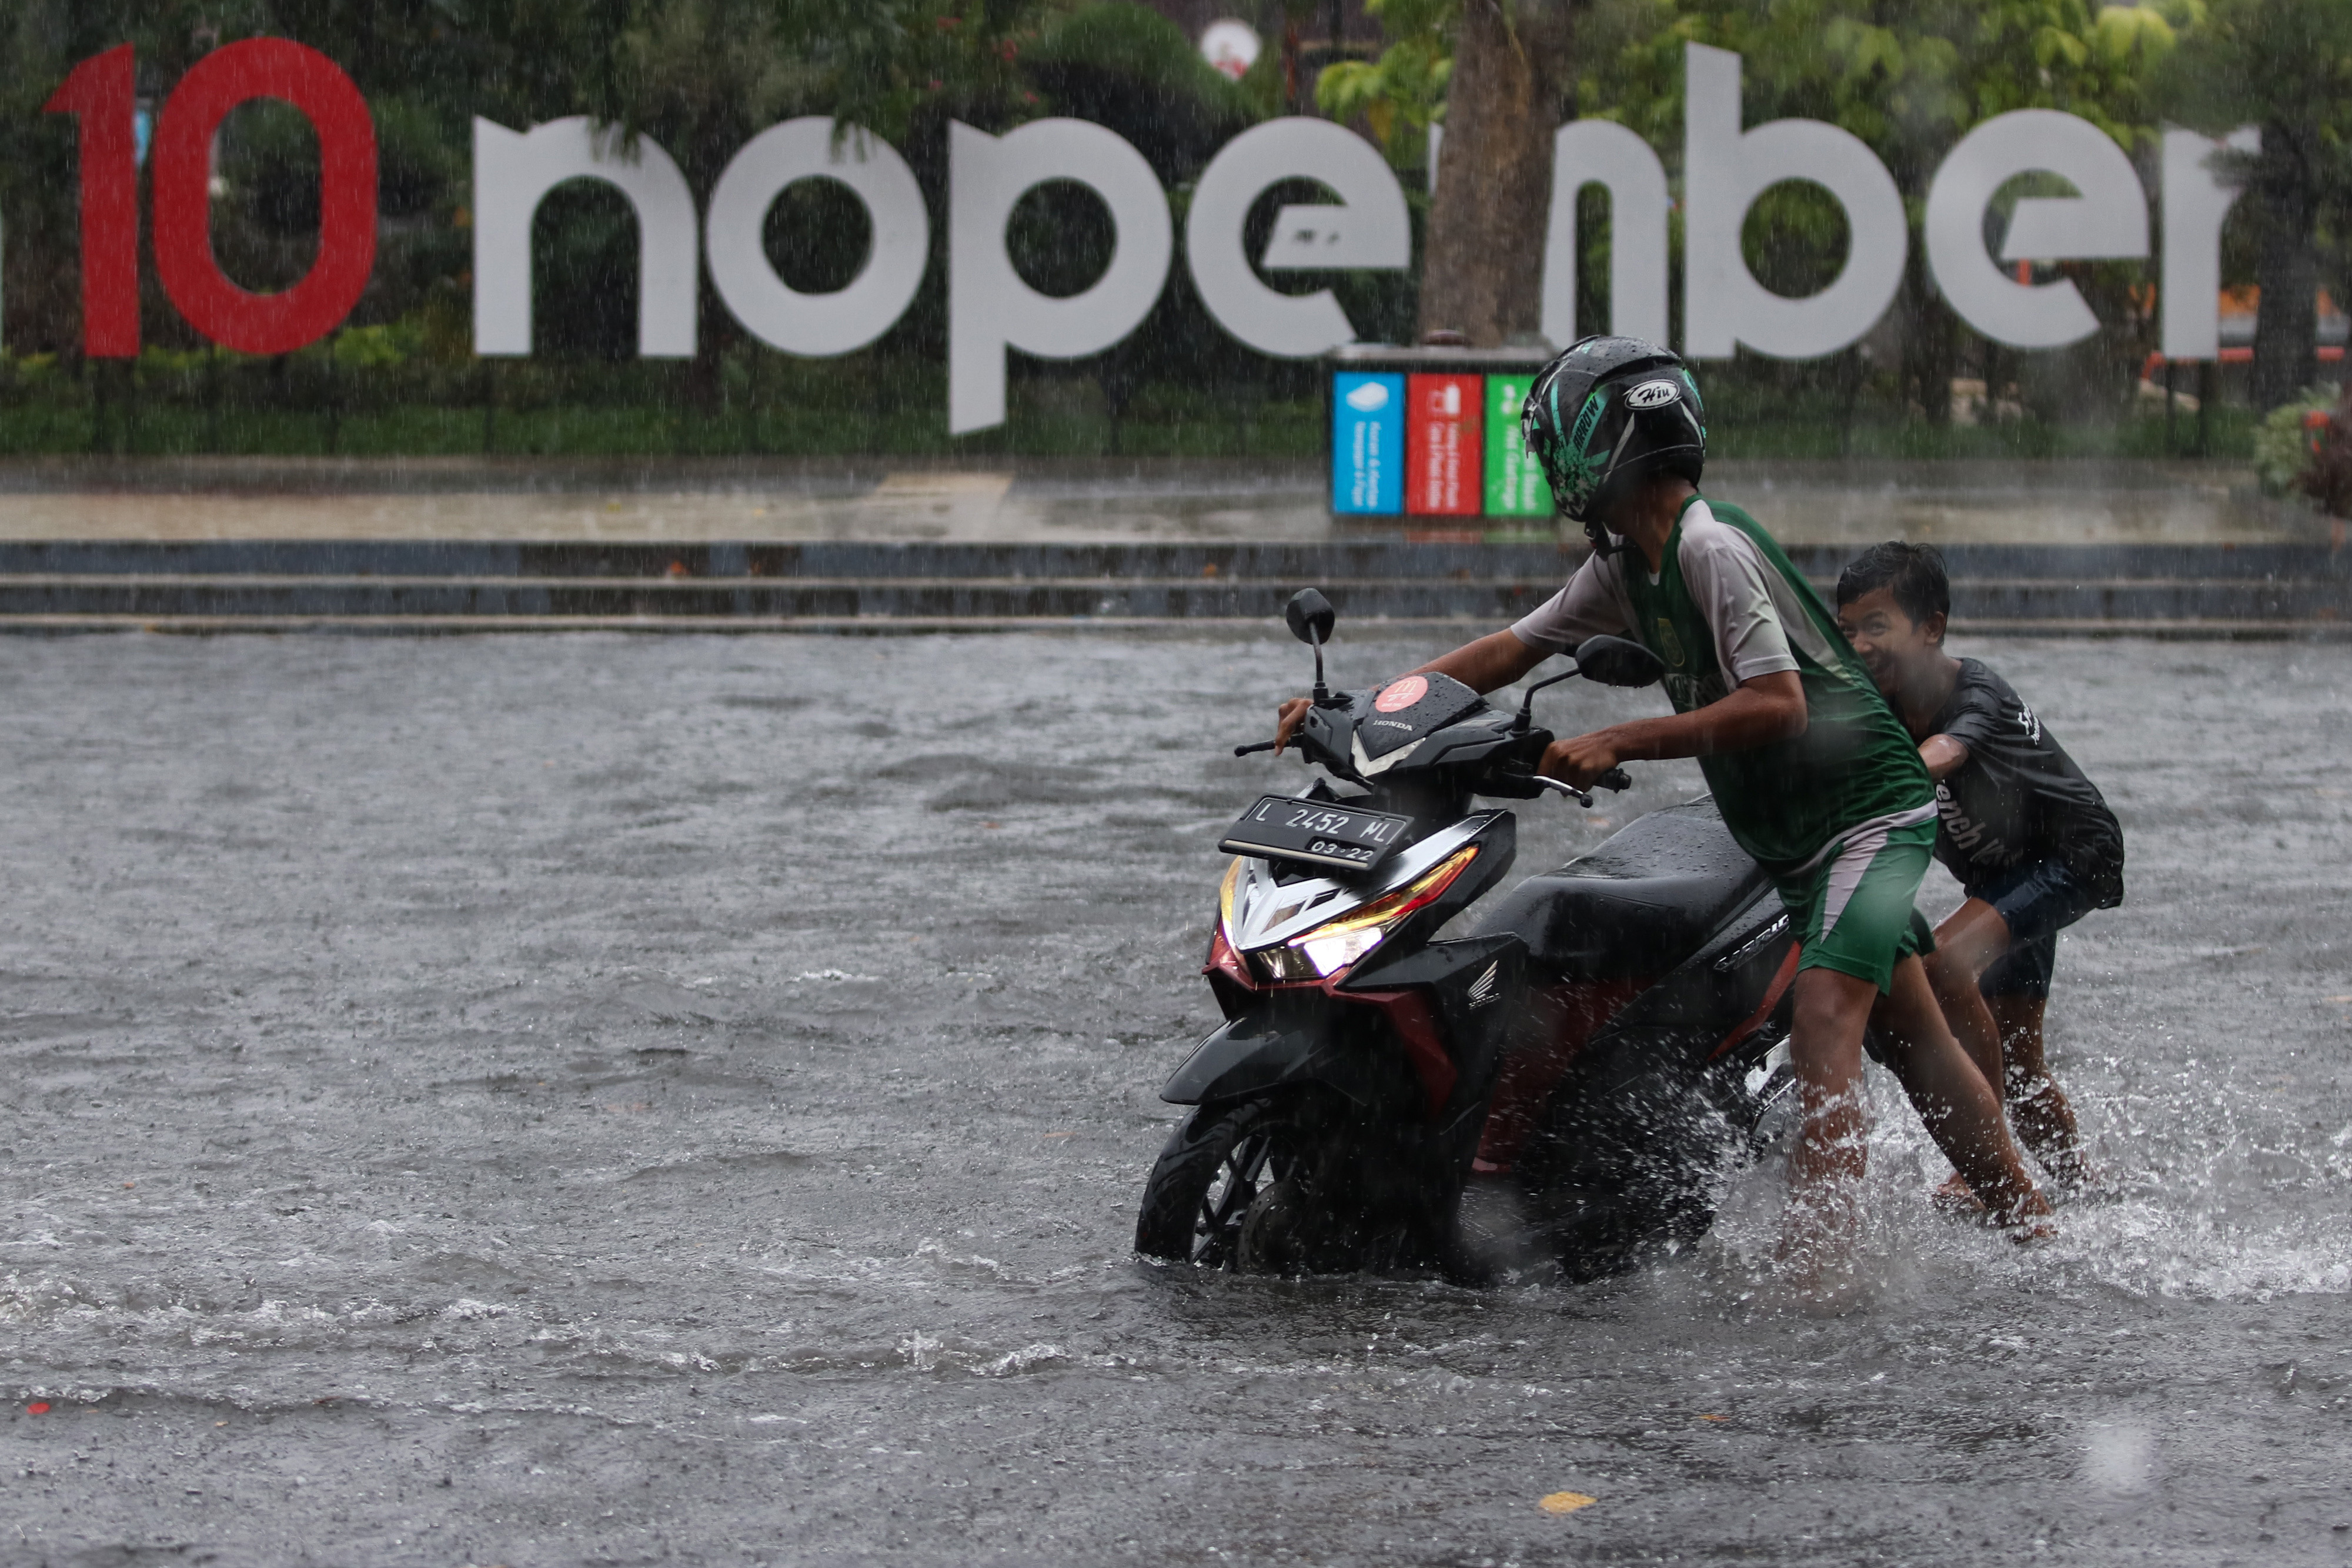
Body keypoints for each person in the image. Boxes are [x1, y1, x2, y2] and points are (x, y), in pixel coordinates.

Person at [1276, 336, 2052, 1280]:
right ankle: (2036, 1225)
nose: (1548, 464)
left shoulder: (1708, 547)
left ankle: (1822, 1280)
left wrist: (1622, 737)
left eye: (1558, 438)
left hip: (1869, 814)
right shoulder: (1623, 569)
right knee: (1913, 1036)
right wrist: (1367, 707)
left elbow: (1781, 703)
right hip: (1800, 834)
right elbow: (1505, 652)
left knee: (1824, 1019)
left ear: (1610, 440)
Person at [1834, 541, 2121, 1195]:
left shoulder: (1975, 691)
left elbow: (1946, 751)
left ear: (1931, 627)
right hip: (2002, 880)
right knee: (2020, 1064)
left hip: (2074, 856)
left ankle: (1980, 1157)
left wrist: (1878, 774)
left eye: (1877, 627)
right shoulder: (1874, 709)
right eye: (1847, 630)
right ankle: (2087, 1189)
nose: (1859, 646)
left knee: (1939, 965)